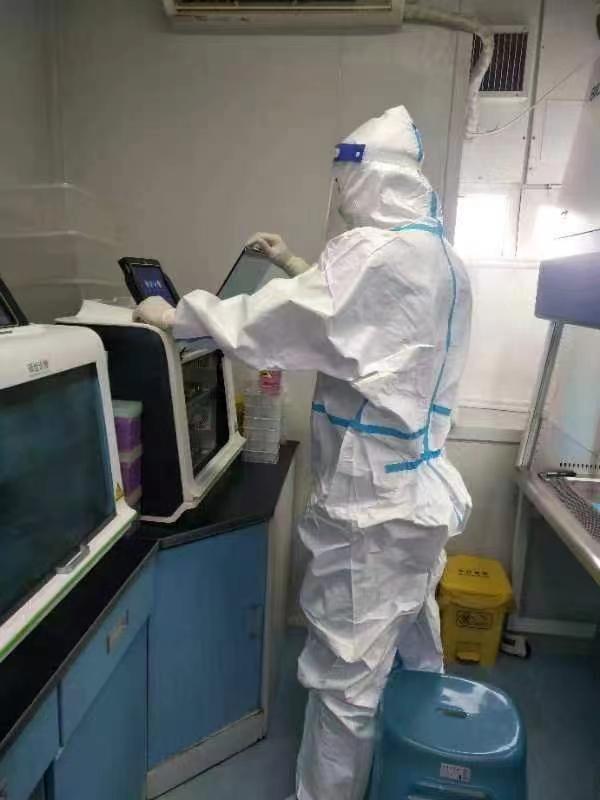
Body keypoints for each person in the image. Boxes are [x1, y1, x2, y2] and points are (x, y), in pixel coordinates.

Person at [135, 105, 472, 800]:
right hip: (419, 492)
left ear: (368, 179)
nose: (340, 196)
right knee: (412, 638)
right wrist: (292, 262)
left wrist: (181, 316)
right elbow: (358, 320)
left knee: (346, 677)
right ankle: (419, 762)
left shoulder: (375, 255)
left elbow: (295, 317)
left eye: (344, 182)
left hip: (370, 506)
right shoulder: (441, 257)